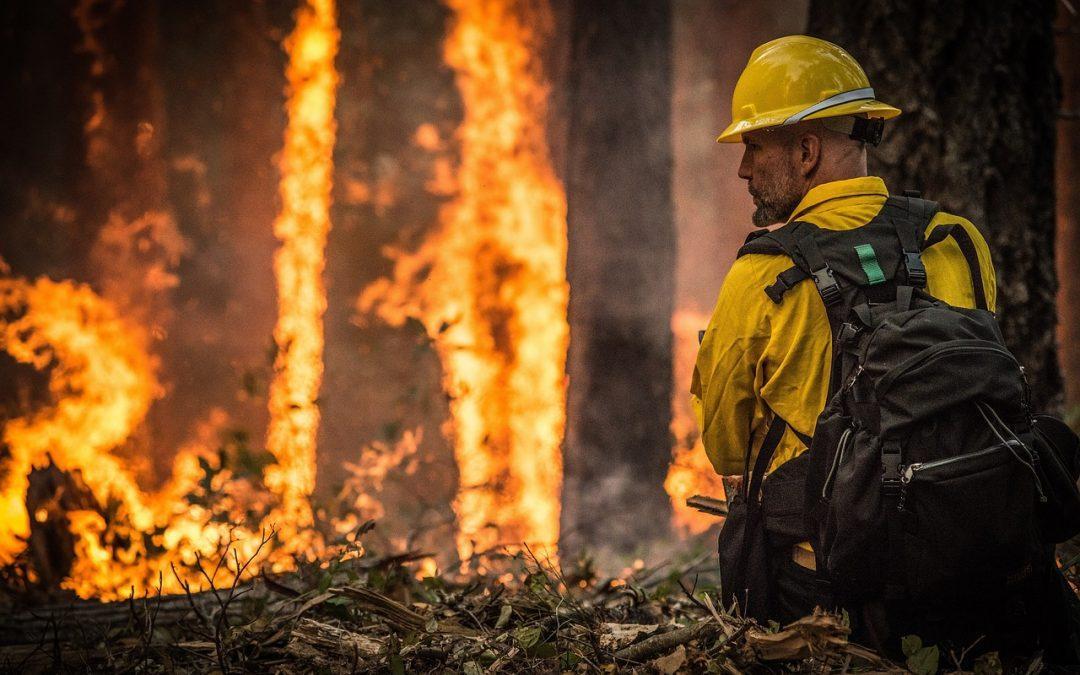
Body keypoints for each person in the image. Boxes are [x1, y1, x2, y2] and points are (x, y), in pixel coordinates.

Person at [692, 35, 996, 628]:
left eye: (754, 146)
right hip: (970, 562)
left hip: (827, 590)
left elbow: (726, 450)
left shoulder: (762, 275)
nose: (743, 168)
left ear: (806, 150)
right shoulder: (957, 240)